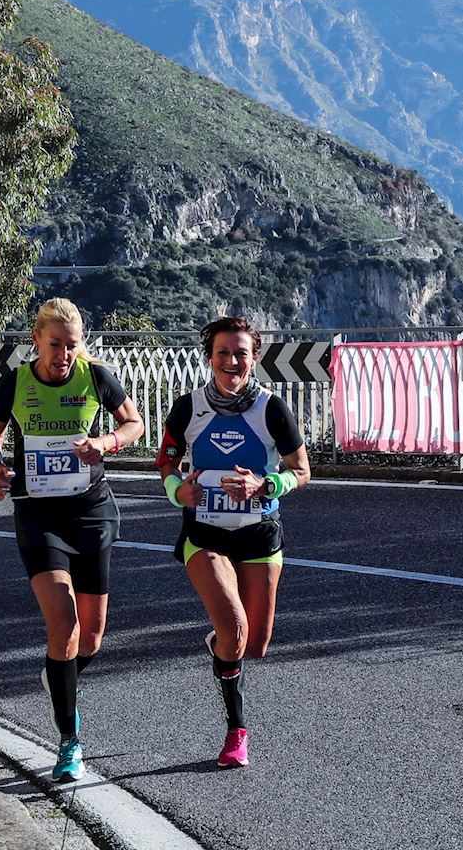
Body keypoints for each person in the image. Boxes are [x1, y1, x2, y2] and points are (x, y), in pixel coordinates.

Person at [0, 298, 143, 783]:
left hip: (91, 512)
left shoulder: (96, 377)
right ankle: (69, 742)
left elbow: (134, 425)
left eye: (73, 346)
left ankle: (57, 676)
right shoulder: (14, 383)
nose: (64, 355)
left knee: (90, 637)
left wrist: (105, 444)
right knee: (65, 624)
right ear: (36, 340)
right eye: (56, 345)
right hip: (38, 514)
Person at [155, 316, 310, 769]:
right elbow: (165, 462)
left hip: (260, 531)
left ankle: (221, 643)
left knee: (255, 644)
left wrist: (266, 486)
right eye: (223, 352)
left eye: (240, 353)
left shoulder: (271, 409)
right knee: (236, 629)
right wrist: (176, 490)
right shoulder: (188, 408)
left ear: (254, 358)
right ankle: (236, 731)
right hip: (205, 534)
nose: (231, 361)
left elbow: (301, 470)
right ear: (210, 357)